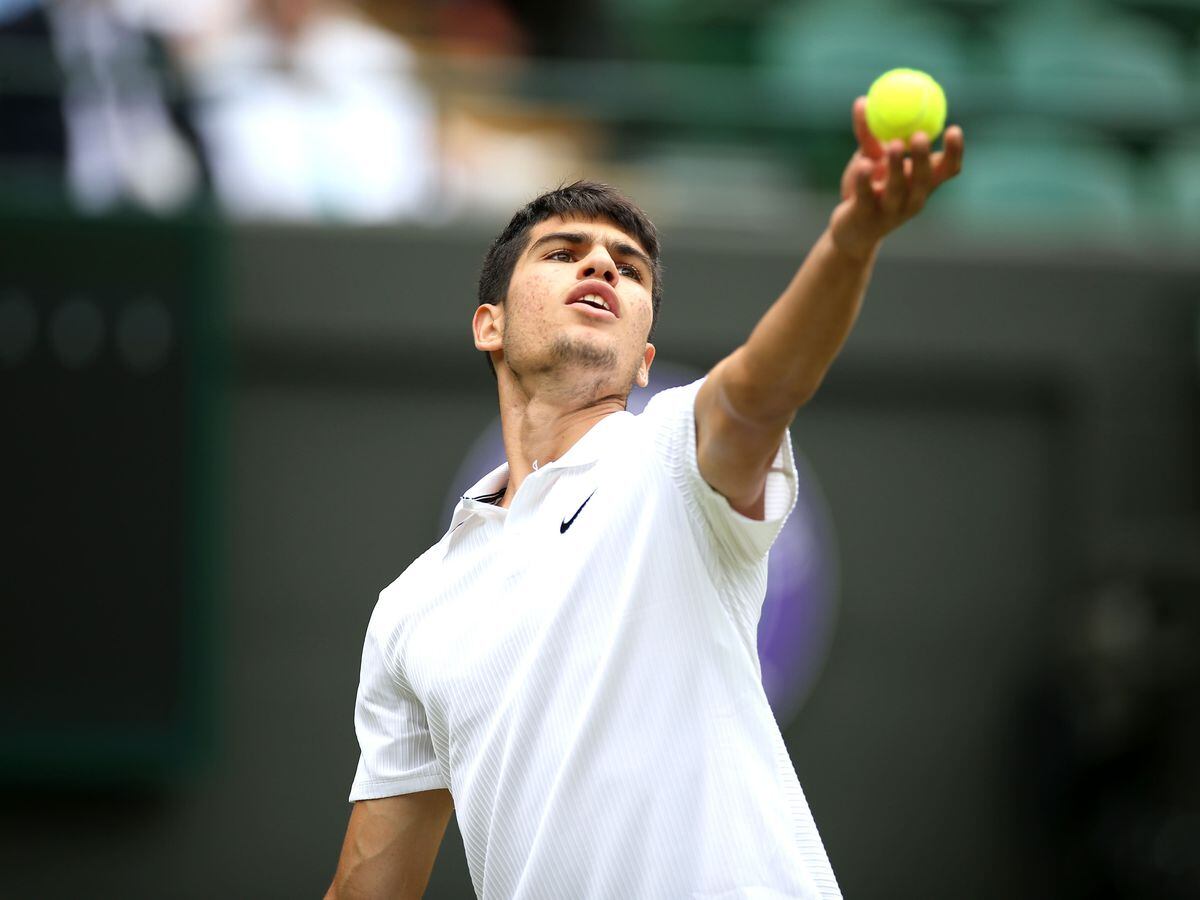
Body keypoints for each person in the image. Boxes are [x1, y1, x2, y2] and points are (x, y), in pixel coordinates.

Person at [325, 100, 965, 899]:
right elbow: (369, 883)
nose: (601, 268)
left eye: (627, 269)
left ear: (643, 361)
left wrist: (851, 240)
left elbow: (758, 396)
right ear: (488, 326)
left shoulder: (669, 455)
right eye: (564, 253)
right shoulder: (411, 609)